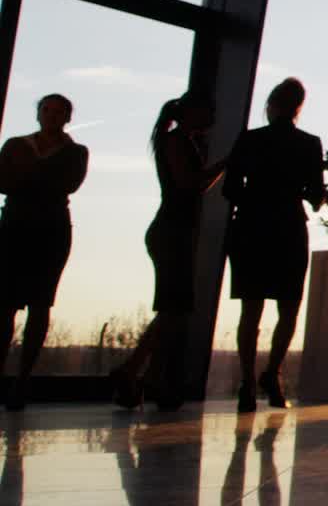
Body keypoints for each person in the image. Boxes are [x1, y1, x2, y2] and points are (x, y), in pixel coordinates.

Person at [110, 92, 224, 410]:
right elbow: (191, 183)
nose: (213, 114)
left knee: (173, 309)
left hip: (172, 230)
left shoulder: (179, 141)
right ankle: (138, 372)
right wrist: (225, 163)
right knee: (173, 308)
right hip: (172, 231)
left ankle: (144, 375)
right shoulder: (178, 142)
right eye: (208, 108)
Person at [223, 77, 326, 412]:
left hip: (251, 226)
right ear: (299, 108)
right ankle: (273, 373)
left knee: (250, 310)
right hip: (288, 227)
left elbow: (230, 189)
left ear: (271, 105)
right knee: (289, 306)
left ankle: (248, 384)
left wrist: (255, 198)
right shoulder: (309, 144)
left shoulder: (250, 140)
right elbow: (314, 196)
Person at [0, 93, 89, 410]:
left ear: (67, 117)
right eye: (46, 110)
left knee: (40, 303)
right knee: (6, 304)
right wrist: (39, 180)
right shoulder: (15, 145)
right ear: (39, 114)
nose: (51, 116)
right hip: (15, 229)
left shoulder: (75, 152)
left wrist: (25, 178)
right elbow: (5, 182)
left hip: (49, 231)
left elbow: (67, 184)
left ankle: (22, 381)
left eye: (58, 111)